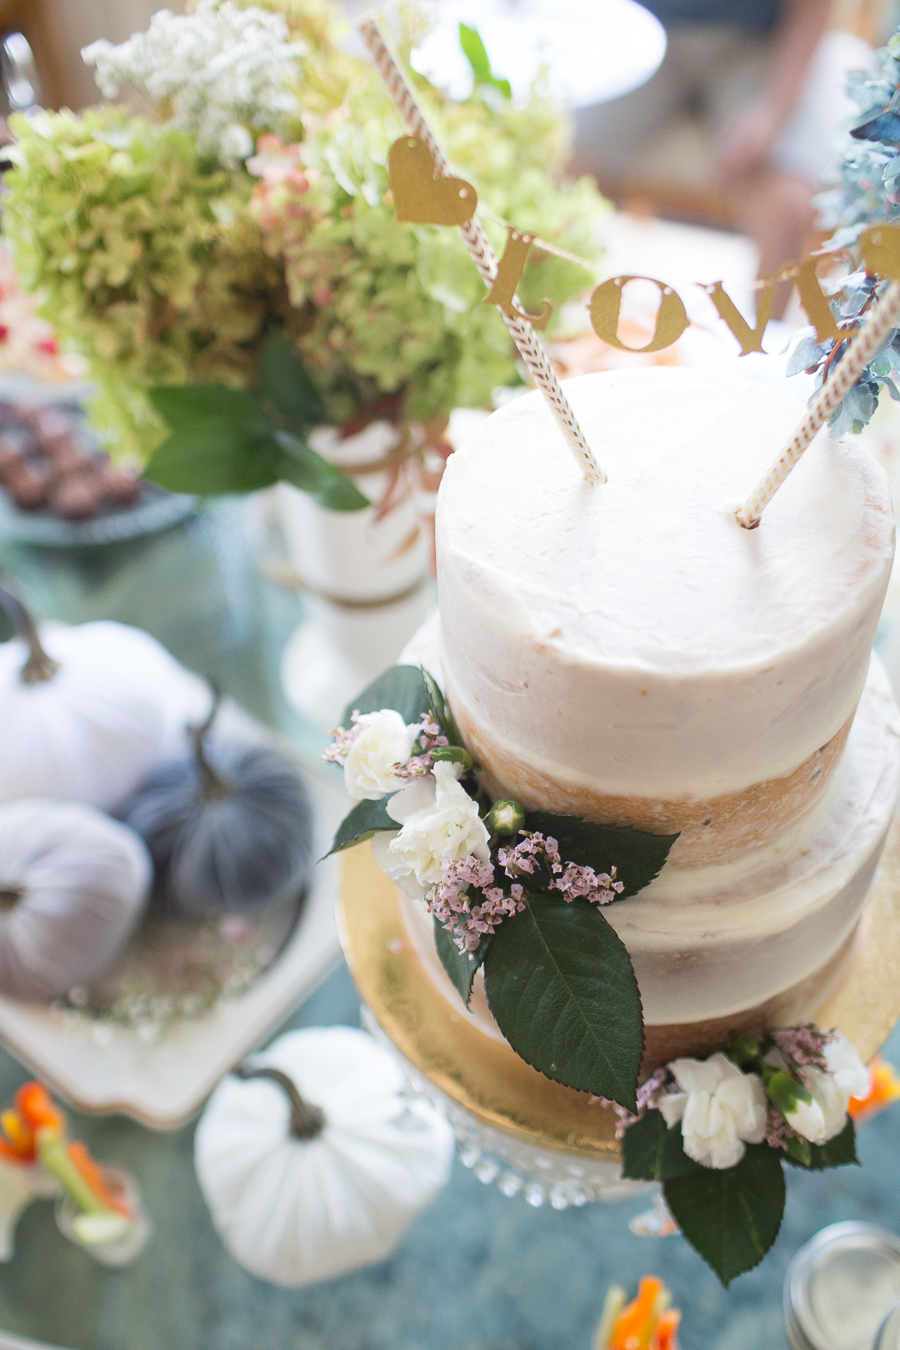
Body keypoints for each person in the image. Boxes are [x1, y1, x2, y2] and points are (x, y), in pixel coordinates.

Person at [572, 0, 861, 312]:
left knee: (787, 201)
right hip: (634, 28)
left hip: (758, 42)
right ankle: (536, 331)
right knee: (549, 159)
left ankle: (761, 343)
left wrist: (774, 110)